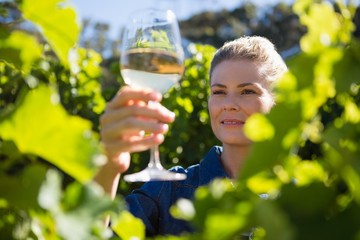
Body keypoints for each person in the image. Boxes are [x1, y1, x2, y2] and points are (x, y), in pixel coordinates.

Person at [95, 36, 288, 236]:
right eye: (219, 92)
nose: (228, 104)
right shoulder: (168, 191)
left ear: (279, 103)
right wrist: (109, 166)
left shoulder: (303, 199)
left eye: (247, 91)